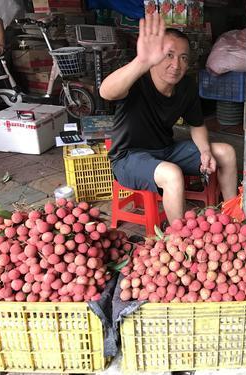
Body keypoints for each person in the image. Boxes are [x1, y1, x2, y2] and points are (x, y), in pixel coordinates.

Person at [100, 13, 237, 224]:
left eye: (183, 57)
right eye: (169, 55)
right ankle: (179, 240)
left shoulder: (186, 86)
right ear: (154, 56)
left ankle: (233, 219)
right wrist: (141, 61)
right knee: (172, 174)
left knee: (226, 153)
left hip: (166, 151)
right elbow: (106, 92)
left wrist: (205, 151)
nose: (176, 64)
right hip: (128, 158)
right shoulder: (137, 81)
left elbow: (197, 124)